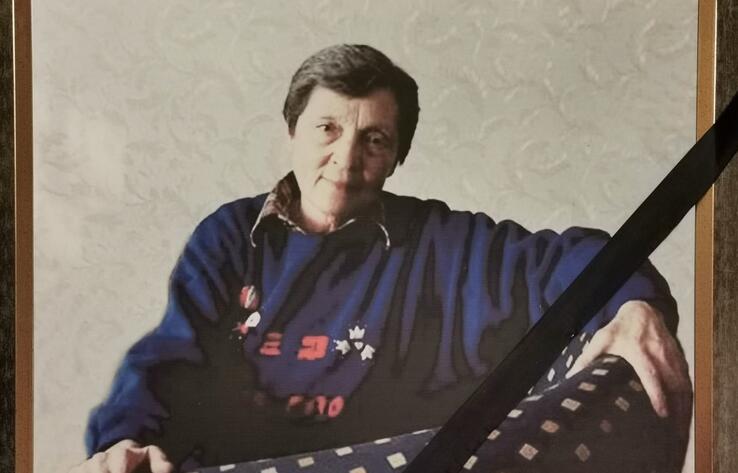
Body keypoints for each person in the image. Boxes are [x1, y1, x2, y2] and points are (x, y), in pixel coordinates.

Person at [71, 44, 691, 473]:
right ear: (291, 132)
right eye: (327, 129)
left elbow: (566, 257)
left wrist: (632, 303)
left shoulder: (441, 242)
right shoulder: (231, 235)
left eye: (374, 139)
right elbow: (170, 359)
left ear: (397, 157)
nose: (346, 159)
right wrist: (124, 441)